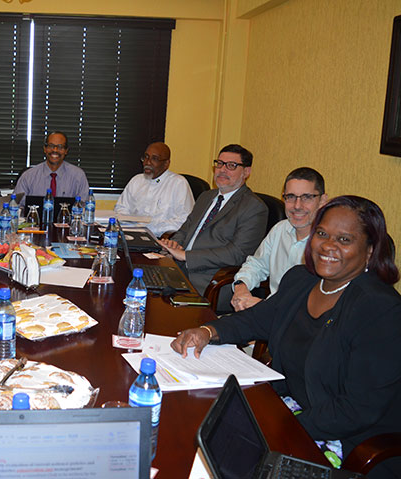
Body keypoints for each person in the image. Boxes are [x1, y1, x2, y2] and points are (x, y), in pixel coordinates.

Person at [171, 196, 401, 478]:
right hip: (291, 412)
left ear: (369, 251)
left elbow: (357, 410)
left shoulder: (379, 309)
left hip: (346, 443)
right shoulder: (301, 280)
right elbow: (258, 319)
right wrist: (208, 331)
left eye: (344, 239)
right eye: (322, 233)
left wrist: (281, 426)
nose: (328, 246)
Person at [159, 144, 267, 295]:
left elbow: (236, 254)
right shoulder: (206, 196)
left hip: (209, 280)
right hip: (177, 268)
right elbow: (185, 229)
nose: (222, 169)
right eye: (220, 164)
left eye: (231, 165)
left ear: (246, 172)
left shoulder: (254, 207)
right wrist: (174, 243)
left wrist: (186, 256)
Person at [230, 167, 328, 311]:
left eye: (307, 197)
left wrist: (263, 307)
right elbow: (256, 264)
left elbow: (316, 305)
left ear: (322, 200)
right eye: (291, 197)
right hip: (269, 314)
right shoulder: (280, 229)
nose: (297, 206)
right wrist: (241, 286)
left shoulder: (329, 244)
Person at [114, 141, 194, 236]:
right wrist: (132, 227)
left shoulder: (178, 183)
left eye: (154, 159)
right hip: (133, 234)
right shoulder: (136, 180)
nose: (148, 162)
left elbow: (184, 220)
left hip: (162, 239)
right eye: (146, 157)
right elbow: (121, 209)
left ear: (166, 164)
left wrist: (150, 228)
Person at [13, 131, 89, 204]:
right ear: (45, 149)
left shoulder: (78, 176)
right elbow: (15, 205)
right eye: (51, 146)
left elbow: (84, 206)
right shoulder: (28, 176)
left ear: (66, 151)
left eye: (60, 147)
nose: (55, 150)